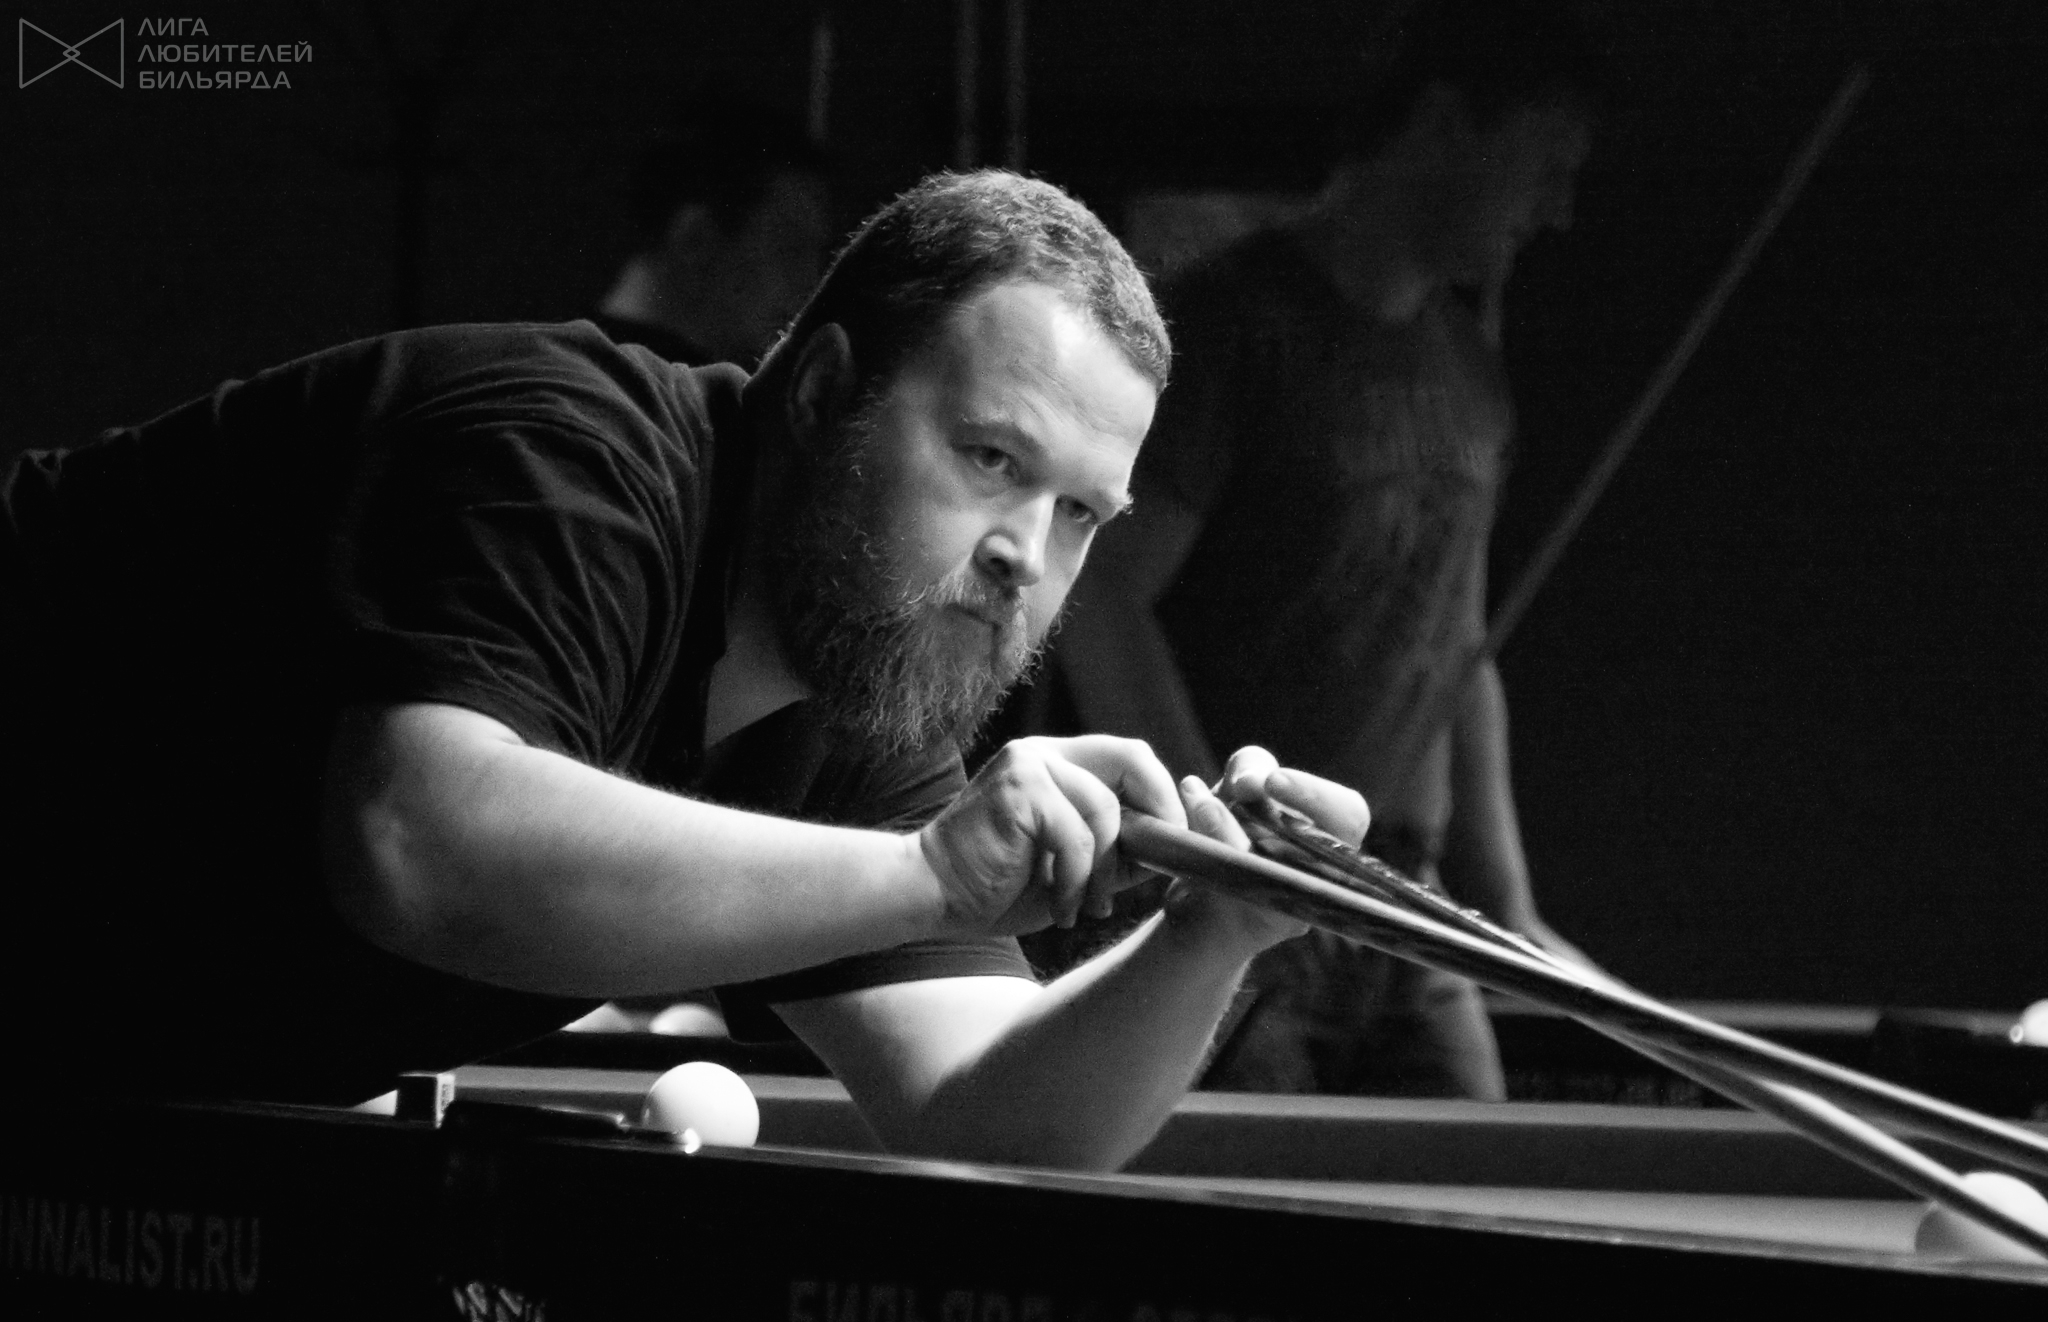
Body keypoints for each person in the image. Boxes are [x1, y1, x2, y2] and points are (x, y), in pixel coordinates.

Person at [0, 171, 1368, 1173]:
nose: (1026, 555)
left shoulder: (857, 691)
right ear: (822, 392)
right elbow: (414, 841)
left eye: (1079, 515)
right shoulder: (571, 459)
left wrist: (1206, 937)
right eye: (990, 458)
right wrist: (932, 874)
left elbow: (986, 1114)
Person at [1054, 0, 1604, 1098]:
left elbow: (1460, 649)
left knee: (1484, 1189)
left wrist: (1509, 907)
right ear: (1443, 123)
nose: (1559, 209)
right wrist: (1216, 860)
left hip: (1408, 907)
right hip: (1250, 895)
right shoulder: (1229, 330)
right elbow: (1102, 593)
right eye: (1544, 163)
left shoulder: (1470, 371)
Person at [591, 102, 836, 367]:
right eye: (790, 248)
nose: (812, 283)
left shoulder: (585, 364)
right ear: (694, 239)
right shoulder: (612, 382)